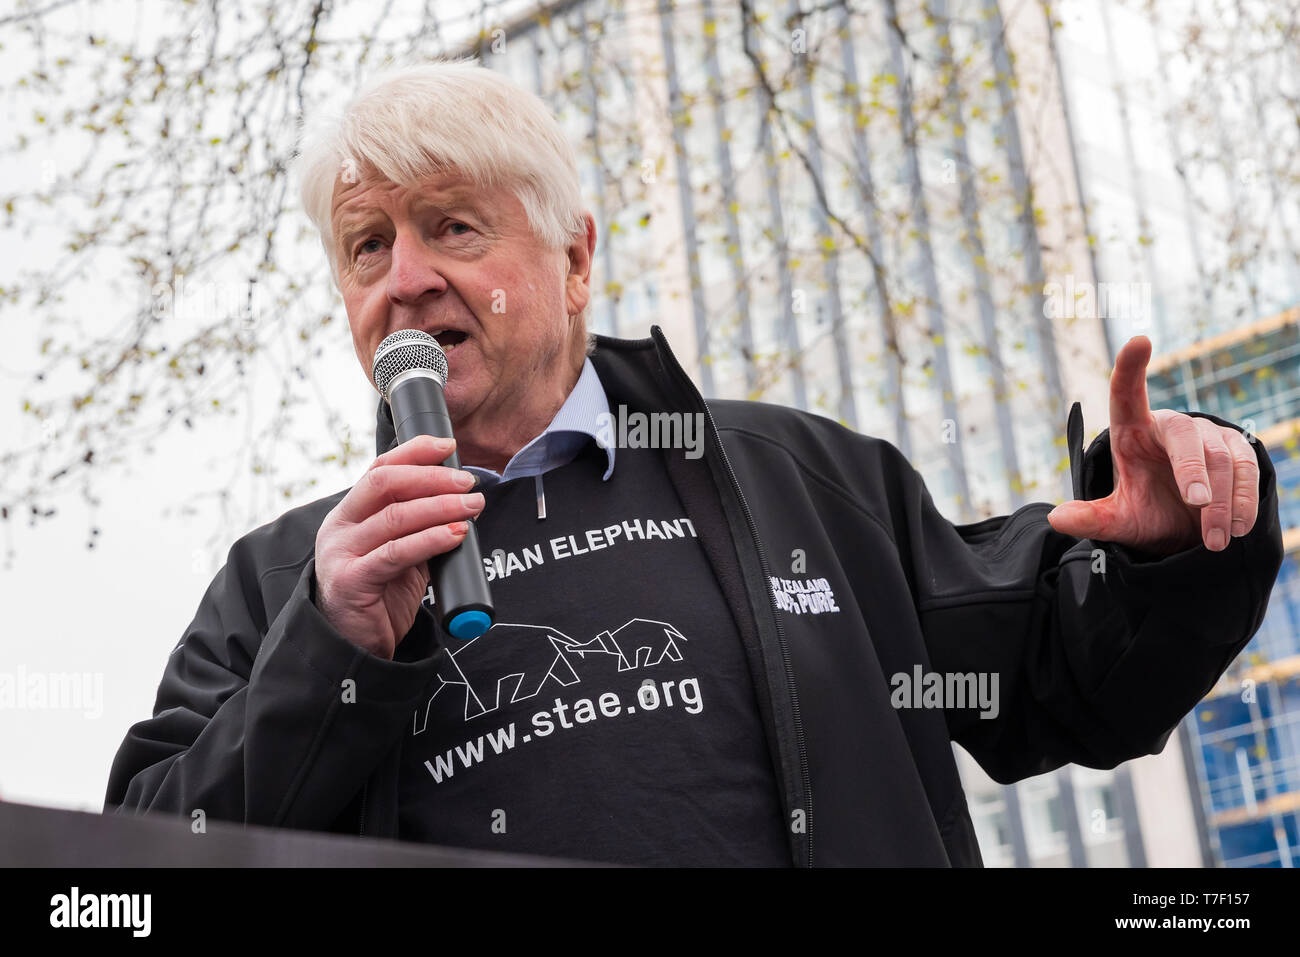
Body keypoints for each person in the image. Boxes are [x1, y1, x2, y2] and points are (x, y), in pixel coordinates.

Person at [103, 59, 1284, 866]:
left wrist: (1170, 551)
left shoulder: (795, 480)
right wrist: (330, 648)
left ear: (574, 260)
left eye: (452, 226)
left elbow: (1053, 679)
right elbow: (140, 871)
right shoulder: (280, 585)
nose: (404, 277)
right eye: (367, 246)